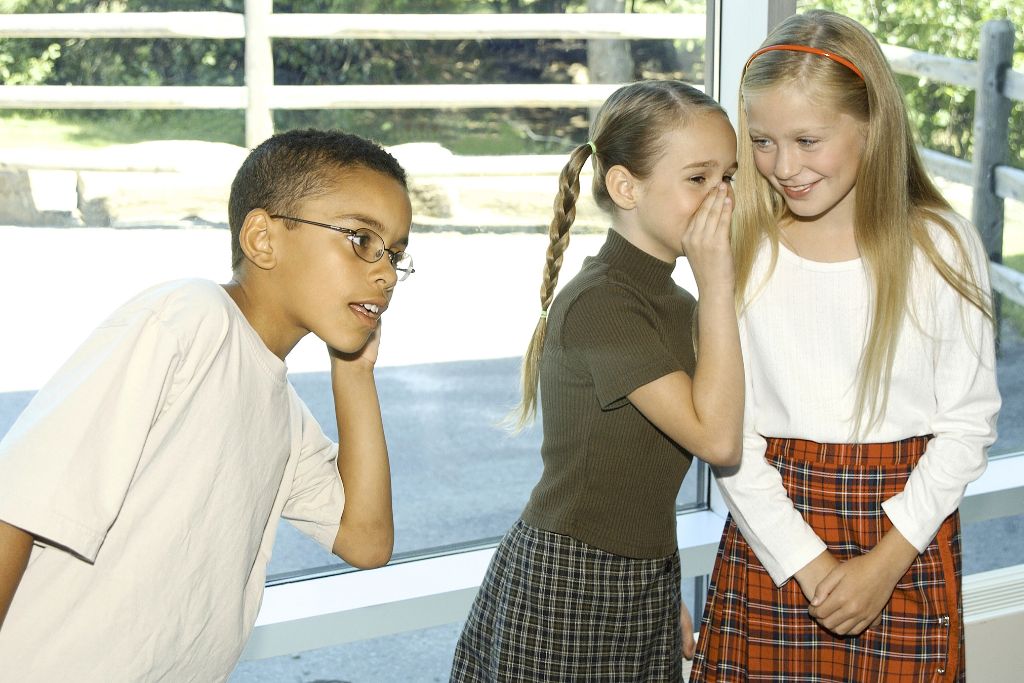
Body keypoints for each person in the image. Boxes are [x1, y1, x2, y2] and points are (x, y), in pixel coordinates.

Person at [0, 128, 413, 681]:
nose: (385, 272)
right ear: (263, 239)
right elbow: (17, 510)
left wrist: (356, 374)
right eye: (362, 239)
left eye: (396, 254)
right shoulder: (189, 318)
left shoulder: (280, 413)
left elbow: (366, 540)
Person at [690, 10, 1001, 683]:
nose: (784, 166)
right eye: (763, 142)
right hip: (775, 539)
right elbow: (729, 441)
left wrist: (883, 563)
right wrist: (812, 563)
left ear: (871, 126)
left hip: (906, 543)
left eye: (807, 139)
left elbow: (968, 424)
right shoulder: (742, 253)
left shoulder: (942, 248)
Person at [449, 79, 742, 682]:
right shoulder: (604, 303)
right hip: (572, 581)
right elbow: (717, 441)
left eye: (729, 178)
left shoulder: (675, 303)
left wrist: (663, 588)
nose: (723, 199)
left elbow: (644, 476)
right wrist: (720, 284)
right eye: (698, 179)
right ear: (625, 187)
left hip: (642, 577)